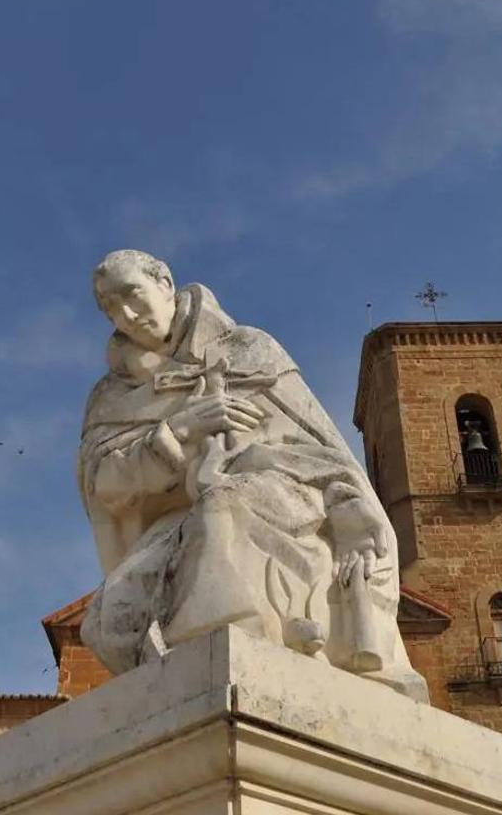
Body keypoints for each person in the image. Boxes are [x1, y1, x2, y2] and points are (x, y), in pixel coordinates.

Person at [78, 249, 426, 699]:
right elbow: (105, 484)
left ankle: (217, 654)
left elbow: (322, 449)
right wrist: (179, 431)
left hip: (287, 492)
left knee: (223, 511)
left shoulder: (249, 351)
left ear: (164, 282)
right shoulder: (112, 396)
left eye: (132, 295)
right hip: (178, 519)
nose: (125, 314)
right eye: (110, 308)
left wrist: (351, 510)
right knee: (109, 615)